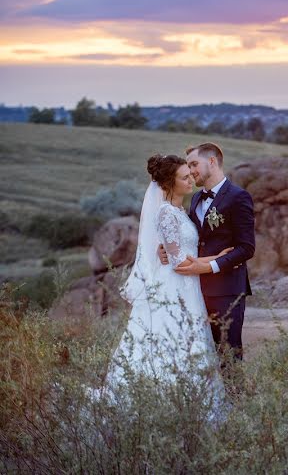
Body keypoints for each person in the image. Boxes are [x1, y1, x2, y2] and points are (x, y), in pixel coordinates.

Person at [105, 154, 227, 416]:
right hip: (177, 287)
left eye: (189, 174)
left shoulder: (181, 210)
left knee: (190, 342)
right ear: (169, 184)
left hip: (189, 286)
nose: (191, 179)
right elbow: (177, 262)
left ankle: (195, 405)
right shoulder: (166, 214)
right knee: (174, 341)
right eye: (184, 177)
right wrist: (218, 259)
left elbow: (176, 250)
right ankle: (168, 406)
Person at [159, 142, 255, 365]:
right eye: (189, 166)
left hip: (226, 291)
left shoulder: (238, 197)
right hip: (195, 291)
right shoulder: (195, 199)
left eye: (194, 164)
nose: (191, 171)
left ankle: (235, 400)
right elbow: (191, 238)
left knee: (229, 357)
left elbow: (246, 248)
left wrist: (209, 266)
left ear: (212, 161)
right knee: (203, 357)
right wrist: (166, 248)